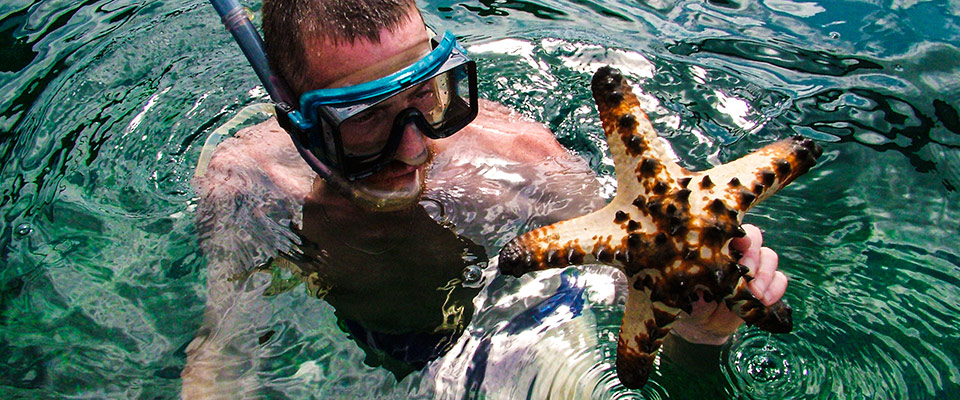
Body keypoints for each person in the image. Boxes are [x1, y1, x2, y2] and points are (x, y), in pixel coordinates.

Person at [181, 0, 787, 397]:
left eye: (427, 94)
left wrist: (701, 331)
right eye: (367, 118)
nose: (415, 147)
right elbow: (225, 354)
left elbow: (633, 307)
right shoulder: (249, 190)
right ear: (299, 119)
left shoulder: (526, 164)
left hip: (522, 320)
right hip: (376, 355)